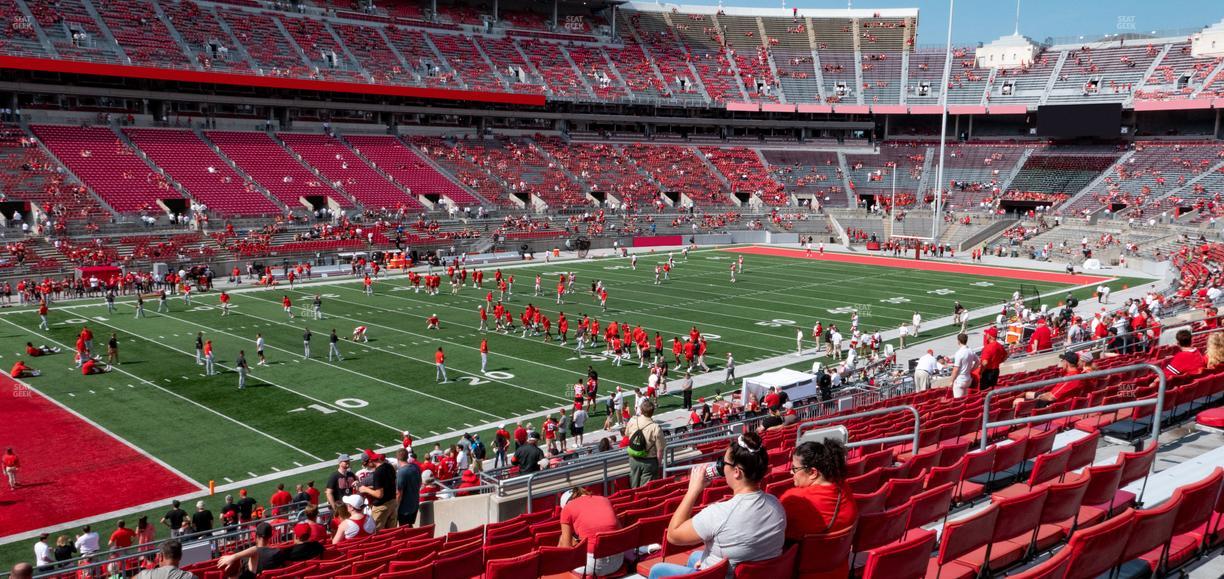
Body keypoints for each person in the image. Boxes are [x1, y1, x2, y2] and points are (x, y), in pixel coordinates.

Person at [647, 433, 785, 578]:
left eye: (723, 463)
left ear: (736, 472)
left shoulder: (719, 514)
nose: (721, 467)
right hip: (758, 572)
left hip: (725, 575)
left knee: (657, 570)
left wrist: (693, 490)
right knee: (695, 556)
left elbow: (673, 535)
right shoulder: (776, 504)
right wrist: (709, 562)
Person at [780, 440, 858, 579]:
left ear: (813, 472)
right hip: (840, 571)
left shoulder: (794, 499)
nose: (791, 472)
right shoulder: (844, 488)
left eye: (795, 468)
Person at [215, 521, 323, 577]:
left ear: (256, 536)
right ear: (270, 536)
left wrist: (234, 556)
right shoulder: (278, 553)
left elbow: (255, 551)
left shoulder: (283, 553)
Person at [559, 486, 624, 576]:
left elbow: (566, 550)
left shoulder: (568, 508)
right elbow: (621, 532)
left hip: (592, 567)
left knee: (562, 539)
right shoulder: (604, 499)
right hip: (618, 562)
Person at [625, 399, 664, 487]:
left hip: (634, 458)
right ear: (652, 412)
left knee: (633, 486)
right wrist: (658, 464)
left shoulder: (632, 420)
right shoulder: (656, 427)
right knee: (645, 490)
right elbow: (660, 450)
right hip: (649, 461)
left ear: (641, 410)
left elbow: (626, 434)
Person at [358, 450, 399, 530]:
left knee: (376, 533)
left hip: (381, 507)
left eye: (366, 464)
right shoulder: (389, 466)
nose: (367, 467)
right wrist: (372, 489)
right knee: (391, 531)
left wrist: (365, 489)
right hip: (392, 502)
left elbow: (379, 494)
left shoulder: (378, 472)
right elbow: (388, 485)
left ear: (370, 461)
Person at [395, 449, 421, 527]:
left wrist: (395, 508)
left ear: (397, 458)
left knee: (405, 529)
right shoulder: (415, 467)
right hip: (414, 504)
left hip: (404, 509)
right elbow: (420, 481)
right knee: (409, 526)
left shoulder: (401, 472)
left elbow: (399, 493)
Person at [949, 333, 978, 398]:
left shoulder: (959, 353)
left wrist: (951, 381)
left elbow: (956, 369)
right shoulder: (970, 351)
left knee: (958, 401)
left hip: (960, 380)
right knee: (964, 399)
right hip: (968, 379)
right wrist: (971, 370)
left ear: (958, 341)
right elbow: (977, 362)